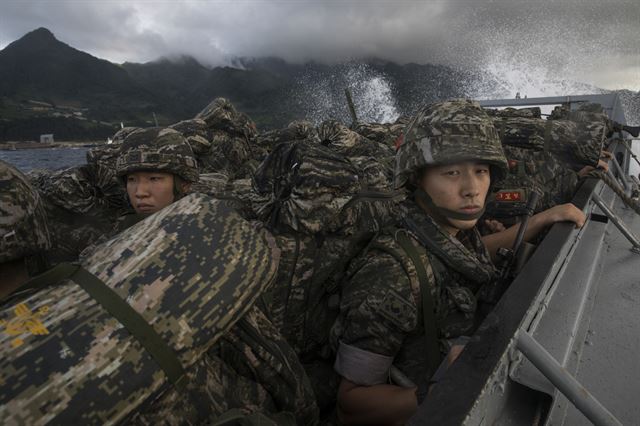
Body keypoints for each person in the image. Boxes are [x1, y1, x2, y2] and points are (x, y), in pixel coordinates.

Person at [330, 100, 584, 425]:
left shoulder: (447, 229)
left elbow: (463, 257)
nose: (472, 189)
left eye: (480, 171)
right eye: (451, 173)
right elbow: (350, 406)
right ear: (417, 179)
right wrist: (435, 391)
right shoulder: (390, 274)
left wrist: (537, 222)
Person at [116, 127, 199, 215]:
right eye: (132, 179)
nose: (140, 193)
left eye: (154, 179)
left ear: (185, 184)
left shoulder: (206, 222)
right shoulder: (123, 225)